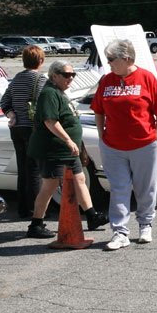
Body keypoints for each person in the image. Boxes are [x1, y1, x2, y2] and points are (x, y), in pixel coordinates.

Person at [92, 40, 157, 250]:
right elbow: (98, 110)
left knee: (146, 188)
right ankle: (120, 232)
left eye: (111, 59)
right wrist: (101, 135)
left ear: (126, 59)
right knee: (119, 188)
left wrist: (156, 135)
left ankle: (145, 224)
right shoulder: (107, 81)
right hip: (113, 147)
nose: (108, 64)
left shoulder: (146, 78)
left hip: (144, 144)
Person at [26, 61, 107, 238]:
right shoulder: (49, 93)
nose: (70, 78)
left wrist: (75, 142)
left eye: (73, 75)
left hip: (68, 150)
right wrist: (69, 140)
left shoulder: (60, 93)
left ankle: (92, 216)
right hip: (53, 149)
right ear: (54, 76)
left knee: (79, 179)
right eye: (66, 75)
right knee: (50, 185)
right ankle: (36, 224)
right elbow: (50, 121)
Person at [0, 46, 47, 218]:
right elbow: (46, 102)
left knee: (23, 169)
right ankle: (35, 210)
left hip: (17, 128)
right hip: (33, 128)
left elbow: (4, 101)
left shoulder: (17, 78)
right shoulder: (40, 79)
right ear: (40, 61)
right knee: (35, 170)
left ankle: (22, 208)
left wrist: (12, 115)